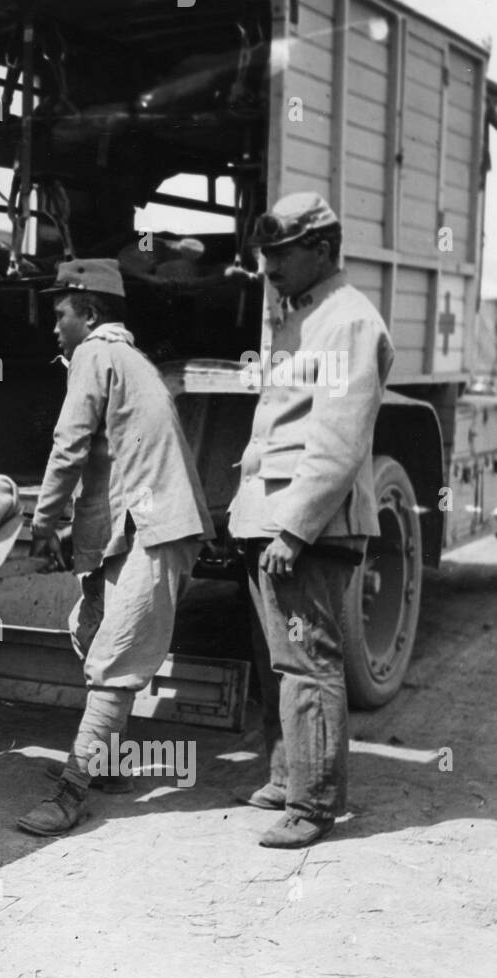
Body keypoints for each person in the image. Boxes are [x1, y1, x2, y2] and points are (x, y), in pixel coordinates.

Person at [17, 258, 213, 837]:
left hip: (158, 528)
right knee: (89, 625)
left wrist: (44, 523)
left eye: (61, 315)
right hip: (145, 521)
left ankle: (72, 793)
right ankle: (108, 760)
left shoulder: (94, 355)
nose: (55, 328)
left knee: (114, 656)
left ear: (91, 313)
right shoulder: (131, 360)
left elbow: (69, 443)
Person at [229, 193, 393, 850]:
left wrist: (294, 529)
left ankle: (314, 804)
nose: (269, 266)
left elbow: (339, 436)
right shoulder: (306, 316)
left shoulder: (348, 322)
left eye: (281, 254)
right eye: (265, 254)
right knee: (279, 661)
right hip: (272, 518)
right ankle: (285, 776)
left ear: (322, 250)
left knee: (307, 662)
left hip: (310, 527)